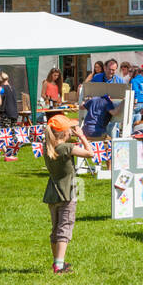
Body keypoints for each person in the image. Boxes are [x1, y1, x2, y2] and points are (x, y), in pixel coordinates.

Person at [42, 114, 95, 274]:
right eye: (70, 129)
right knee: (65, 228)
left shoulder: (48, 148)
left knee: (56, 228)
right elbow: (90, 153)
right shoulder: (66, 148)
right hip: (67, 193)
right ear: (64, 133)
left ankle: (57, 261)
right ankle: (59, 265)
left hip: (52, 192)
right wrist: (82, 136)